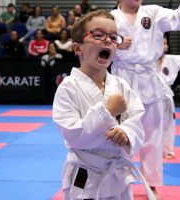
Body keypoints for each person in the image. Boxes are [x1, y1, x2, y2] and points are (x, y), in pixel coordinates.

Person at [52, 10, 148, 200]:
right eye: (98, 35)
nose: (108, 41)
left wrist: (126, 133)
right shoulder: (68, 88)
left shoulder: (121, 86)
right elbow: (73, 135)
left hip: (118, 175)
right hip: (85, 176)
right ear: (78, 48)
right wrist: (107, 111)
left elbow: (137, 118)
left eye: (114, 37)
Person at [110, 0, 180, 199]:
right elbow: (93, 41)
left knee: (152, 138)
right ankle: (117, 184)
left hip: (149, 81)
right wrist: (115, 43)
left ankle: (151, 185)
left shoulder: (154, 12)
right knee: (119, 138)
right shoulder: (110, 18)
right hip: (121, 82)